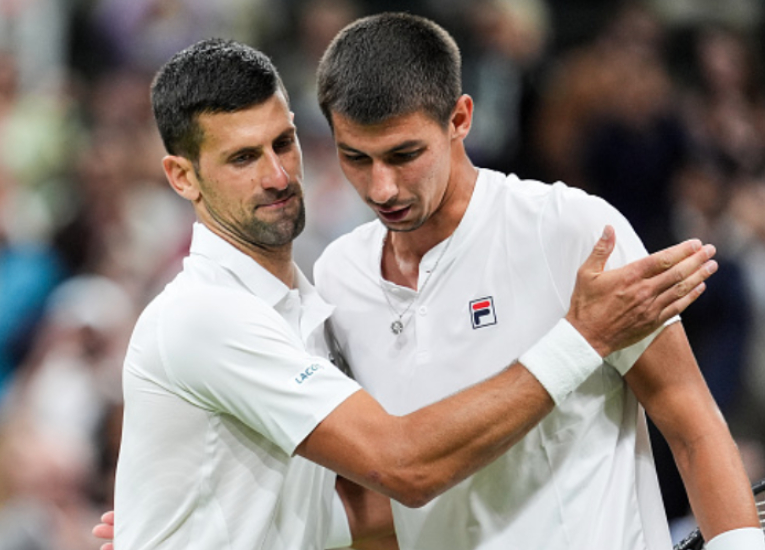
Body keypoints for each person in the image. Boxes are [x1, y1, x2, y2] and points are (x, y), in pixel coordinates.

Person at [105, 37, 719, 550]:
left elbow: (362, 516)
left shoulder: (307, 306)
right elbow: (405, 466)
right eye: (243, 158)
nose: (278, 176)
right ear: (182, 177)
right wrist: (583, 338)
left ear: (460, 120)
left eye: (283, 144)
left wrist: (189, 523)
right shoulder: (208, 315)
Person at [310, 12, 763, 550]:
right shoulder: (337, 276)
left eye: (404, 155)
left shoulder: (573, 231)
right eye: (355, 157)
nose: (381, 188)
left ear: (460, 119)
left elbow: (693, 426)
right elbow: (382, 495)